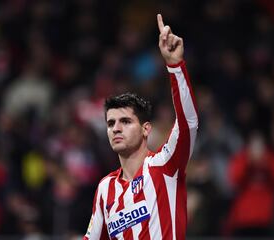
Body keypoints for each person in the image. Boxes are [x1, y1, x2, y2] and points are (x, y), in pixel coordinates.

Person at [83, 14, 198, 239]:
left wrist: (175, 66)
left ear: (146, 129)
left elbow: (188, 123)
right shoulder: (105, 189)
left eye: (125, 121)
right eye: (110, 123)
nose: (116, 128)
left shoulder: (165, 165)